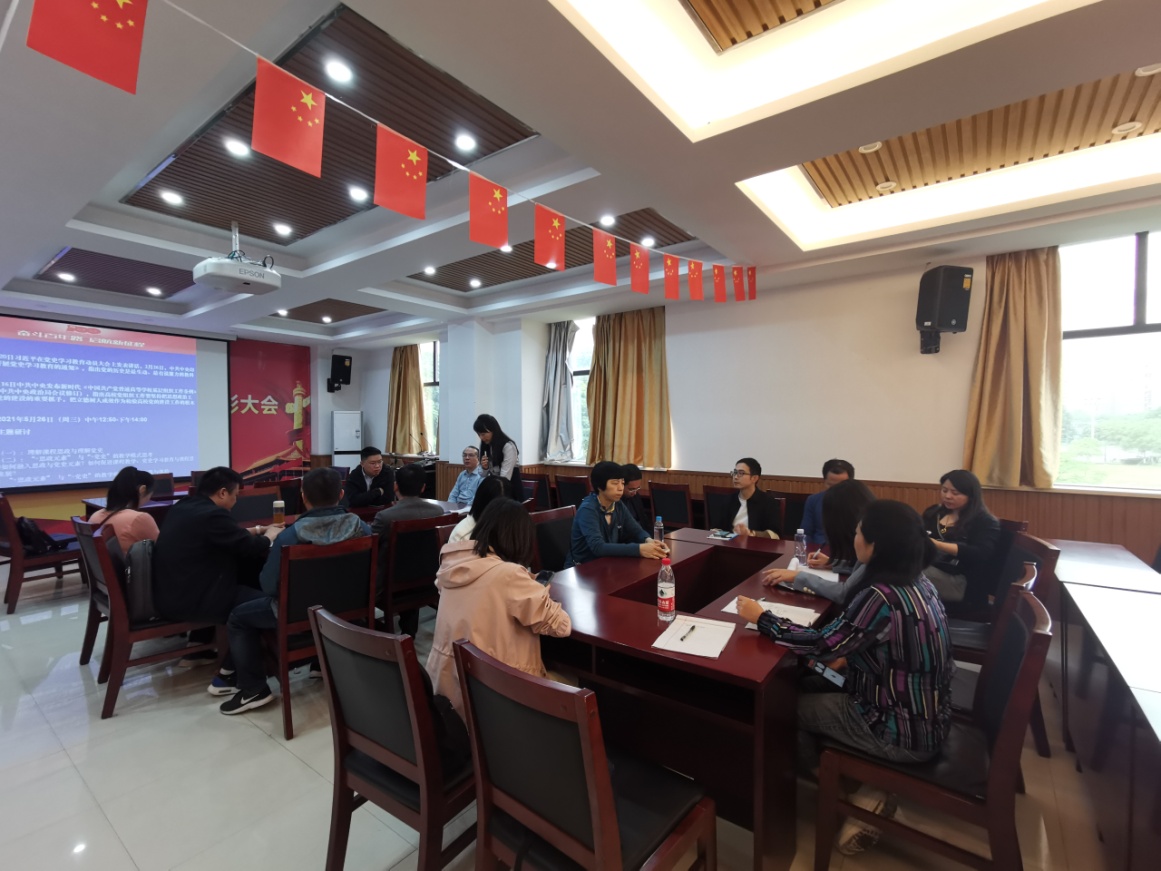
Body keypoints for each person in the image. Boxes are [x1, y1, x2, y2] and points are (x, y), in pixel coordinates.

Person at [736, 500, 954, 856]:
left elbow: (822, 644)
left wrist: (762, 618)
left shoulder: (881, 595)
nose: (854, 537)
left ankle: (845, 798)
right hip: (924, 712)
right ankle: (859, 783)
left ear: (874, 545)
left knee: (782, 710)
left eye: (858, 532)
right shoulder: (918, 581)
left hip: (898, 729)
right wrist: (845, 657)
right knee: (805, 680)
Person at [211, 467, 372, 713]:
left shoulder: (290, 536)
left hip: (299, 615)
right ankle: (318, 663)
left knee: (238, 618)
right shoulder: (362, 528)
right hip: (346, 610)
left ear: (303, 496)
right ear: (341, 494)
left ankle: (253, 689)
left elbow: (268, 586)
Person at [427, 499, 572, 716]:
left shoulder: (454, 565)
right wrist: (537, 590)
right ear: (520, 538)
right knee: (575, 682)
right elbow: (561, 626)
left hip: (448, 692)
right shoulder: (509, 575)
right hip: (496, 699)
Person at [153, 467, 281, 664]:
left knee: (245, 571)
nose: (236, 501)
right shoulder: (213, 515)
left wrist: (258, 530)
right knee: (267, 604)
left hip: (172, 592)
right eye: (235, 495)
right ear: (222, 493)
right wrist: (269, 536)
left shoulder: (185, 506)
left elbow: (228, 535)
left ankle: (198, 646)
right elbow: (249, 547)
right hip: (193, 599)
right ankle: (240, 664)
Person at [761, 479, 875, 603]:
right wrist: (832, 563)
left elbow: (845, 593)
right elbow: (859, 570)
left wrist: (798, 576)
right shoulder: (874, 532)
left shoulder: (873, 547)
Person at [371, 462, 446, 635]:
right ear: (423, 487)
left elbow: (371, 547)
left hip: (392, 586)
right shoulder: (438, 512)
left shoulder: (385, 517)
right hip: (429, 581)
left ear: (395, 486)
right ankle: (409, 631)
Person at [921, 469, 1000, 606]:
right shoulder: (934, 513)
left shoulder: (984, 521)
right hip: (931, 567)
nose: (948, 496)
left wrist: (937, 544)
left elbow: (980, 553)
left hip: (961, 581)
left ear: (971, 495)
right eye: (944, 490)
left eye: (955, 493)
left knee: (907, 573)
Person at [566, 461, 668, 567]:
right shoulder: (588, 509)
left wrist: (649, 541)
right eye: (615, 483)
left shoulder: (617, 505)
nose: (620, 488)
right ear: (600, 486)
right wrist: (639, 549)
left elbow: (636, 530)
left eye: (622, 483)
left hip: (606, 564)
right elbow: (598, 547)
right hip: (582, 568)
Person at [88, 466, 160, 554]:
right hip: (130, 563)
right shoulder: (139, 518)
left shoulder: (94, 516)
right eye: (150, 495)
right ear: (142, 490)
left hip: (106, 563)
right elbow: (162, 549)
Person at [710, 457, 782, 538]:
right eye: (735, 472)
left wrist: (751, 533)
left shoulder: (768, 502)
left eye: (741, 473)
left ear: (754, 478)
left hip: (755, 544)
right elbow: (716, 528)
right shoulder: (728, 500)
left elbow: (775, 535)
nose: (735, 477)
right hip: (730, 543)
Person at [802, 459, 855, 545]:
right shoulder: (813, 500)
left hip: (847, 550)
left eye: (841, 486)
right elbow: (805, 533)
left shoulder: (860, 503)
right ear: (824, 481)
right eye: (830, 485)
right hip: (818, 548)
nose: (835, 490)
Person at [473, 413, 523, 499]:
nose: (481, 437)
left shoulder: (508, 446)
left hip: (510, 492)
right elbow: (483, 475)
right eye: (479, 434)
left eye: (483, 434)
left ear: (493, 430)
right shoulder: (486, 445)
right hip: (496, 490)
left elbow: (505, 477)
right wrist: (485, 468)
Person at [449, 475, 511, 543]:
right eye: (496, 510)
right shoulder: (462, 535)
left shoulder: (510, 527)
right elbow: (453, 495)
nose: (500, 516)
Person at [619, 463, 652, 531]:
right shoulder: (615, 501)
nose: (635, 492)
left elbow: (644, 522)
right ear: (621, 485)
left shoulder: (636, 496)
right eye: (631, 489)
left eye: (637, 488)